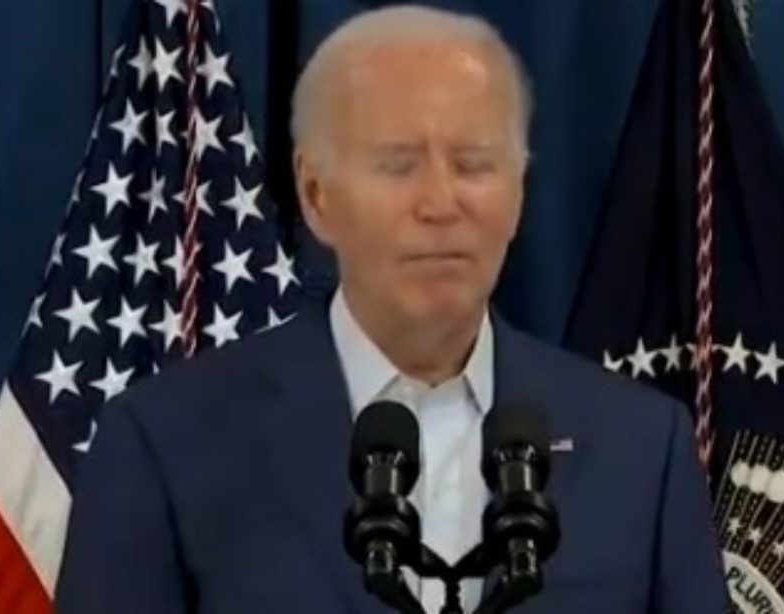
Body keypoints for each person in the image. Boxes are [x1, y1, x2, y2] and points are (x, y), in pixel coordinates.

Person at [55, 5, 727, 613]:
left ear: (519, 192)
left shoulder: (644, 451)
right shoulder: (166, 443)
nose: (440, 204)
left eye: (473, 164)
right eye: (398, 165)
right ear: (316, 195)